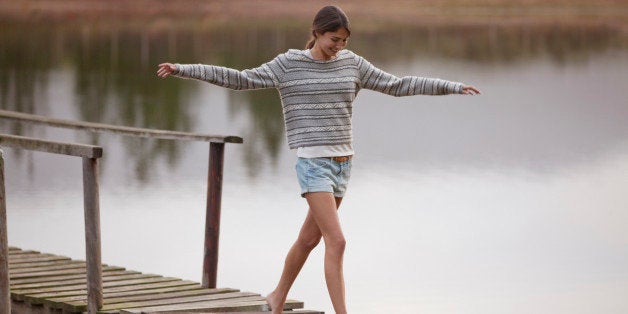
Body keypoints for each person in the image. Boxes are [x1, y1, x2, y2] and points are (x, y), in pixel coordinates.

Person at [157, 5, 480, 314]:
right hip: (313, 165)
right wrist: (184, 69)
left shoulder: (352, 63)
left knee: (309, 239)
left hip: (343, 166)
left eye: (344, 41)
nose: (338, 47)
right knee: (336, 241)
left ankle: (277, 295)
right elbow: (241, 79)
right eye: (333, 40)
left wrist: (450, 86)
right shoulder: (289, 65)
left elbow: (397, 85)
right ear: (317, 33)